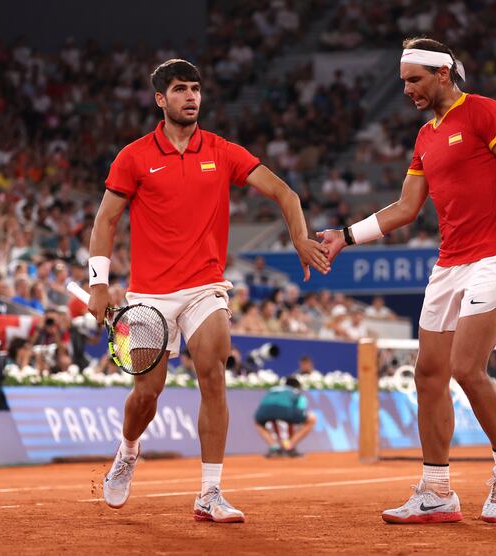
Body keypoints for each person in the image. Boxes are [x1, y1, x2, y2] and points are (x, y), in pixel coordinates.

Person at [319, 38, 496, 525]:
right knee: (428, 374)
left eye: (414, 80)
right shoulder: (425, 137)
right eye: (403, 82)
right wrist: (344, 237)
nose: (407, 89)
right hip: (448, 265)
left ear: (442, 74)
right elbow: (406, 209)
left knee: (466, 368)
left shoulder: (485, 112)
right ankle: (436, 490)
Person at [87, 59, 329, 523]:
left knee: (213, 374)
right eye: (180, 90)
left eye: (195, 89)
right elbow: (105, 220)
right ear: (161, 99)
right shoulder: (133, 156)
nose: (190, 97)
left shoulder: (221, 150)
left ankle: (210, 492)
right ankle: (129, 449)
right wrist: (99, 283)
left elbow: (285, 193)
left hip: (205, 287)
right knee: (147, 393)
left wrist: (300, 237)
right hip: (149, 297)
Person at [253, 376, 317, 458]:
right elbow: (300, 409)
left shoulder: (273, 389)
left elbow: (265, 404)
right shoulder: (296, 392)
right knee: (312, 419)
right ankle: (289, 447)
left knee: (258, 422)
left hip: (264, 410)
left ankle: (274, 447)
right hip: (285, 410)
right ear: (297, 386)